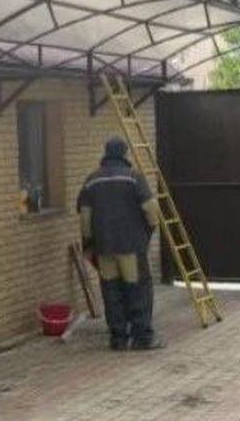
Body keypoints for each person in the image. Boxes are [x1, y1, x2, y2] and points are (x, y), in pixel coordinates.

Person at [76, 136, 161, 350]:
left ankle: (118, 338)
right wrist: (147, 232)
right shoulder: (134, 178)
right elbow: (151, 210)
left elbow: (85, 218)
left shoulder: (91, 180)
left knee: (111, 291)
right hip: (131, 246)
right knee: (138, 290)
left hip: (104, 248)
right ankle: (142, 338)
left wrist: (89, 244)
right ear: (124, 154)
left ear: (106, 153)